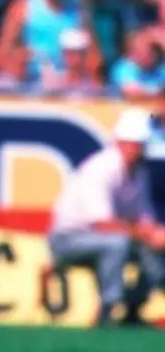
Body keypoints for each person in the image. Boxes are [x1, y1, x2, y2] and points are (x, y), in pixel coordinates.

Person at [48, 108, 165, 327]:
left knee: (150, 250)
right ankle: (108, 308)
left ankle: (133, 309)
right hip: (68, 239)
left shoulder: (138, 174)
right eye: (133, 144)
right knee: (117, 243)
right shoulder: (100, 168)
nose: (137, 150)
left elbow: (144, 217)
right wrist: (147, 234)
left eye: (140, 145)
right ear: (119, 143)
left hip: (105, 237)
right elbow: (101, 223)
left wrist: (156, 235)